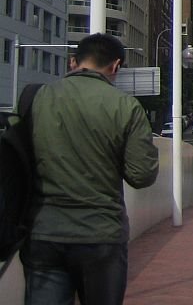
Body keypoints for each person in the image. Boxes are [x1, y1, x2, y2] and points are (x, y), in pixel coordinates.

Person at [21, 32, 159, 305]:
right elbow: (141, 175)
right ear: (116, 66)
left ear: (73, 62)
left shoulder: (35, 98)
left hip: (44, 231)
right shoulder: (125, 106)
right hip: (101, 234)